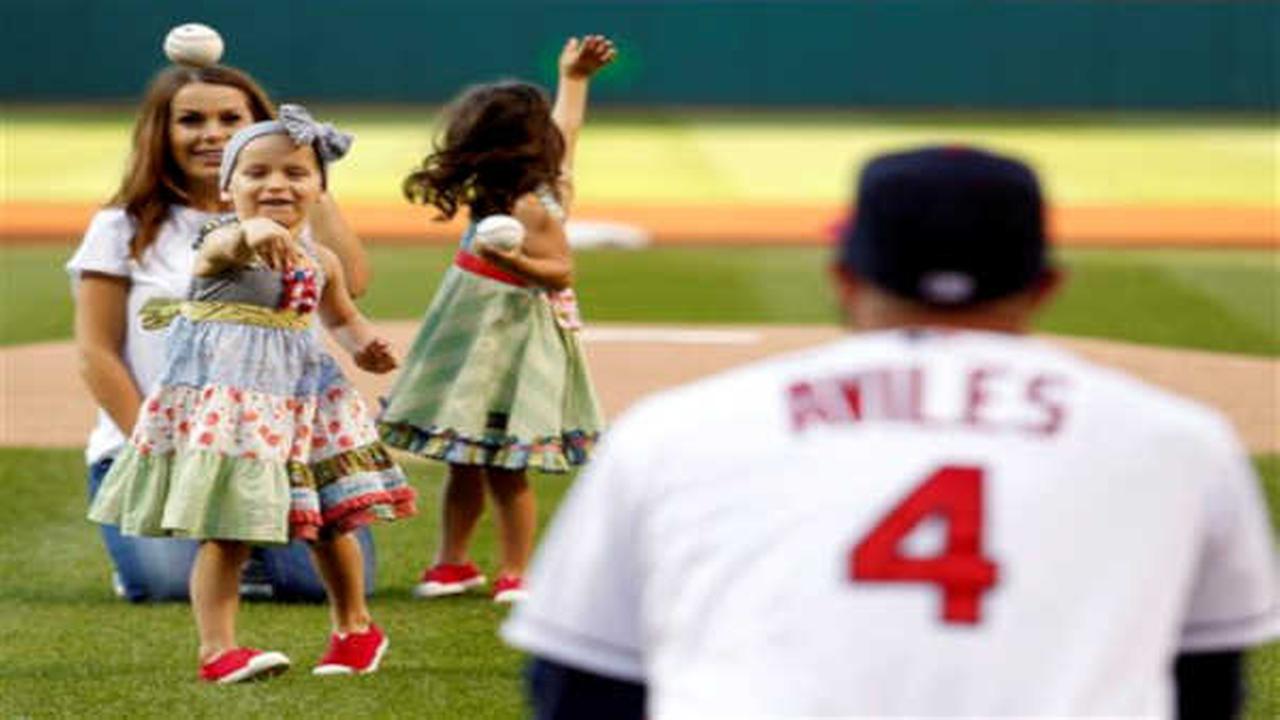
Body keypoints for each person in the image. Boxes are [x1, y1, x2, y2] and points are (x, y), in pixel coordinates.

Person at [501, 147, 1280, 718]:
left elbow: (581, 685)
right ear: (1046, 286)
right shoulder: (1180, 444)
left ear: (844, 277)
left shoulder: (676, 431)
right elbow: (1206, 690)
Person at [88, 106, 416, 683]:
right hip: (238, 415)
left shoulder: (322, 258)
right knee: (228, 530)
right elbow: (235, 245)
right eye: (257, 173)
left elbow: (341, 317)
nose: (276, 185)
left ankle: (355, 631)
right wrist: (256, 230)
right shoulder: (217, 242)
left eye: (295, 173)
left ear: (319, 188)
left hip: (308, 408)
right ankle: (218, 651)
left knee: (334, 521)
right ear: (227, 185)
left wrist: (366, 346)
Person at [67, 62, 376, 603]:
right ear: (161, 133)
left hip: (272, 446)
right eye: (190, 120)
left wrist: (301, 174)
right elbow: (97, 351)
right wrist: (161, 454)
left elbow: (351, 283)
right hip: (155, 443)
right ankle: (228, 551)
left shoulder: (290, 217)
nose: (212, 133)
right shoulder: (122, 226)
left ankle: (245, 547)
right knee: (164, 583)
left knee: (316, 584)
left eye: (230, 119)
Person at [377, 36, 615, 603]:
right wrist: (573, 78)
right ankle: (452, 563)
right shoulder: (493, 195)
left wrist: (511, 259)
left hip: (517, 340)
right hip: (474, 338)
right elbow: (567, 132)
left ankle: (517, 572)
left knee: (508, 467)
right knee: (465, 458)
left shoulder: (540, 198)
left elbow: (560, 271)